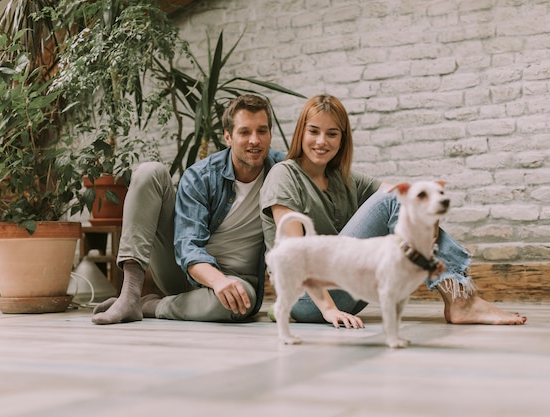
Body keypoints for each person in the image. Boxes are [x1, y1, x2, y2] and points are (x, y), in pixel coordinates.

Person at [260, 94, 527, 328]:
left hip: (350, 292)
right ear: (300, 133)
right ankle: (461, 301)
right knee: (395, 198)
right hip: (310, 300)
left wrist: (429, 221)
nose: (322, 141)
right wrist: (329, 310)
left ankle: (462, 299)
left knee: (400, 197)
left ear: (342, 139)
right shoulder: (284, 174)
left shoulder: (342, 178)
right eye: (314, 131)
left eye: (332, 134)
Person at [92, 94, 285, 324]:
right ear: (228, 137)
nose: (255, 140)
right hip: (183, 274)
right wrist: (216, 280)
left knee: (238, 304)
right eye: (244, 132)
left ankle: (148, 306)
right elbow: (188, 245)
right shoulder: (202, 176)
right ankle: (130, 293)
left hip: (238, 280)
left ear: (270, 135)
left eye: (262, 131)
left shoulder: (283, 172)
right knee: (149, 172)